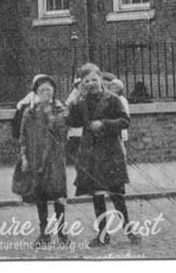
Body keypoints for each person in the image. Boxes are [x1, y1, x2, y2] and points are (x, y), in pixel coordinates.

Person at [66, 63, 137, 247]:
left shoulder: (112, 99)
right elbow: (73, 121)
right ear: (82, 83)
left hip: (110, 153)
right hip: (91, 155)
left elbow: (124, 121)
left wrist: (104, 124)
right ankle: (103, 235)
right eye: (86, 80)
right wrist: (75, 99)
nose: (91, 83)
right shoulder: (82, 101)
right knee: (97, 195)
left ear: (100, 79)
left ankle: (130, 232)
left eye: (94, 79)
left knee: (116, 194)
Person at [19, 74, 69, 245]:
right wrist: (24, 157)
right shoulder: (30, 112)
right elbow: (23, 137)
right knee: (40, 196)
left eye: (48, 89)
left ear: (54, 91)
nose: (46, 92)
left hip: (55, 160)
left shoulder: (61, 110)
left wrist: (53, 116)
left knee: (58, 196)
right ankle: (44, 233)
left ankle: (62, 233)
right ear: (36, 93)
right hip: (36, 158)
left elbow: (63, 133)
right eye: (42, 90)